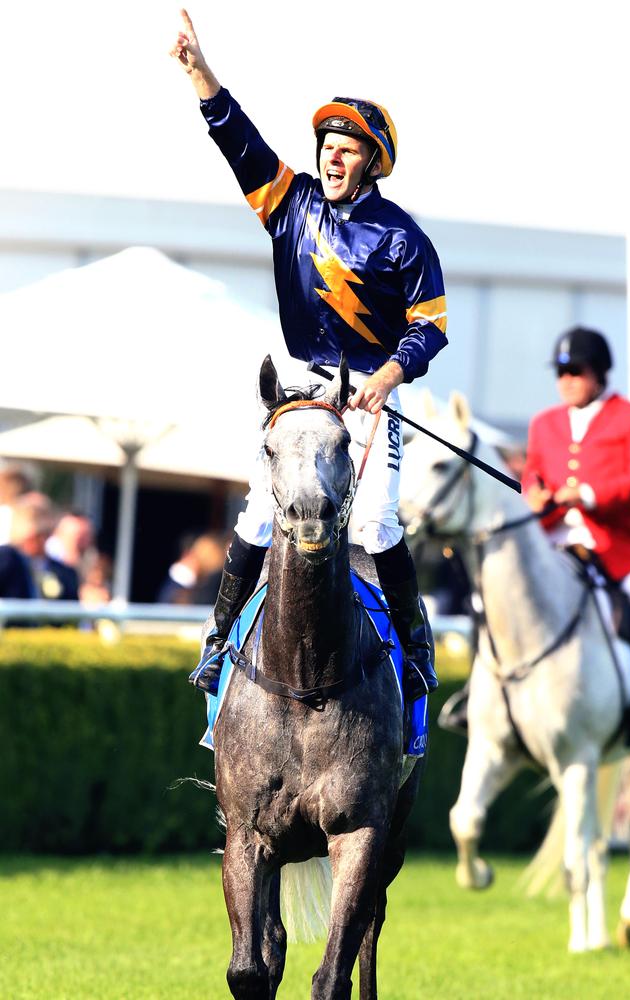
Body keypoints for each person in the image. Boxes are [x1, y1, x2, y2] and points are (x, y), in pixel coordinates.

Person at [170, 10, 448, 700]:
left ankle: (415, 653)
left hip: (369, 398)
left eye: (347, 148)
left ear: (371, 161)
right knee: (261, 516)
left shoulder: (404, 239)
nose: (331, 155)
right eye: (326, 143)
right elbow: (239, 142)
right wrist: (201, 74)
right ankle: (217, 641)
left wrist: (387, 375)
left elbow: (430, 328)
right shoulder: (289, 202)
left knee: (375, 523)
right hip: (297, 392)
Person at [523, 326, 630, 736]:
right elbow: (533, 479)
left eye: (575, 370)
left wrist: (590, 495)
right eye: (560, 371)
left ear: (599, 373)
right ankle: (480, 702)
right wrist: (534, 502)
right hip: (553, 545)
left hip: (616, 547)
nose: (566, 380)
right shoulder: (544, 424)